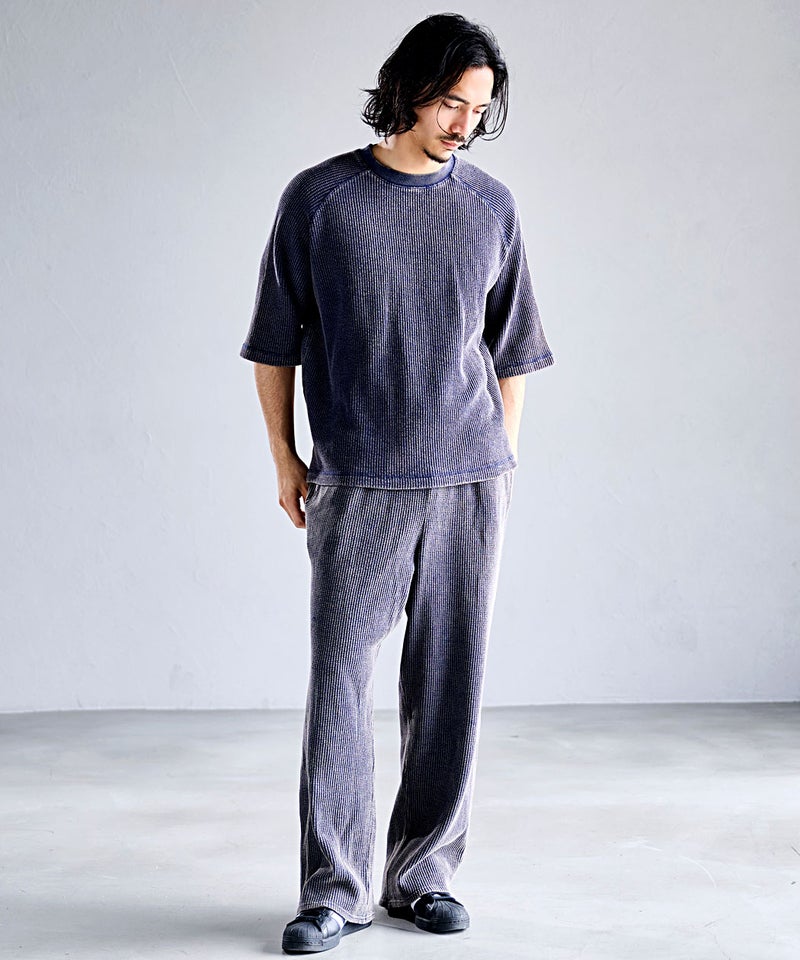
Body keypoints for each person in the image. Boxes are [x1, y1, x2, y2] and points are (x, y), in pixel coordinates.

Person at [240, 12, 555, 954]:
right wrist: (286, 458)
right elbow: (274, 343)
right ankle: (333, 891)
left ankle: (423, 876)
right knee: (340, 685)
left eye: (478, 110)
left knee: (451, 681)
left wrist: (499, 459)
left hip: (470, 484)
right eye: (450, 102)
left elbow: (513, 351)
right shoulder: (321, 199)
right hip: (360, 481)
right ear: (407, 89)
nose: (463, 123)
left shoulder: (491, 206)